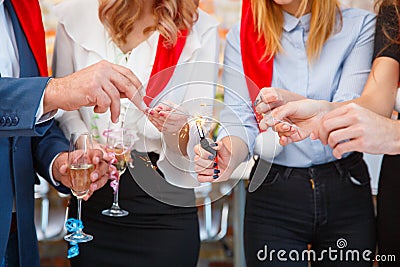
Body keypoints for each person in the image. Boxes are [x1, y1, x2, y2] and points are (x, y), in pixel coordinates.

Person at [194, 0, 377, 266]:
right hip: (273, 195)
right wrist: (228, 152)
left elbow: (348, 114)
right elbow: (240, 123)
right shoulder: (242, 36)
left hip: (346, 190)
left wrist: (290, 104)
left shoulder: (359, 26)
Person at [53, 0, 219, 266]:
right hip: (94, 198)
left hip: (165, 205)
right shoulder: (75, 17)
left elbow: (200, 132)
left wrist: (179, 129)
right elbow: (62, 106)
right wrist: (87, 147)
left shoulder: (199, 30)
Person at [0, 0, 143, 266]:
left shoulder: (22, 8)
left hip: (17, 230)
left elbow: (31, 117)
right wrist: (58, 90)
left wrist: (59, 161)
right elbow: (43, 96)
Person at [265, 1, 400, 265]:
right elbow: (376, 104)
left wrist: (395, 135)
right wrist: (322, 112)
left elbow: (387, 127)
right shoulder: (393, 9)